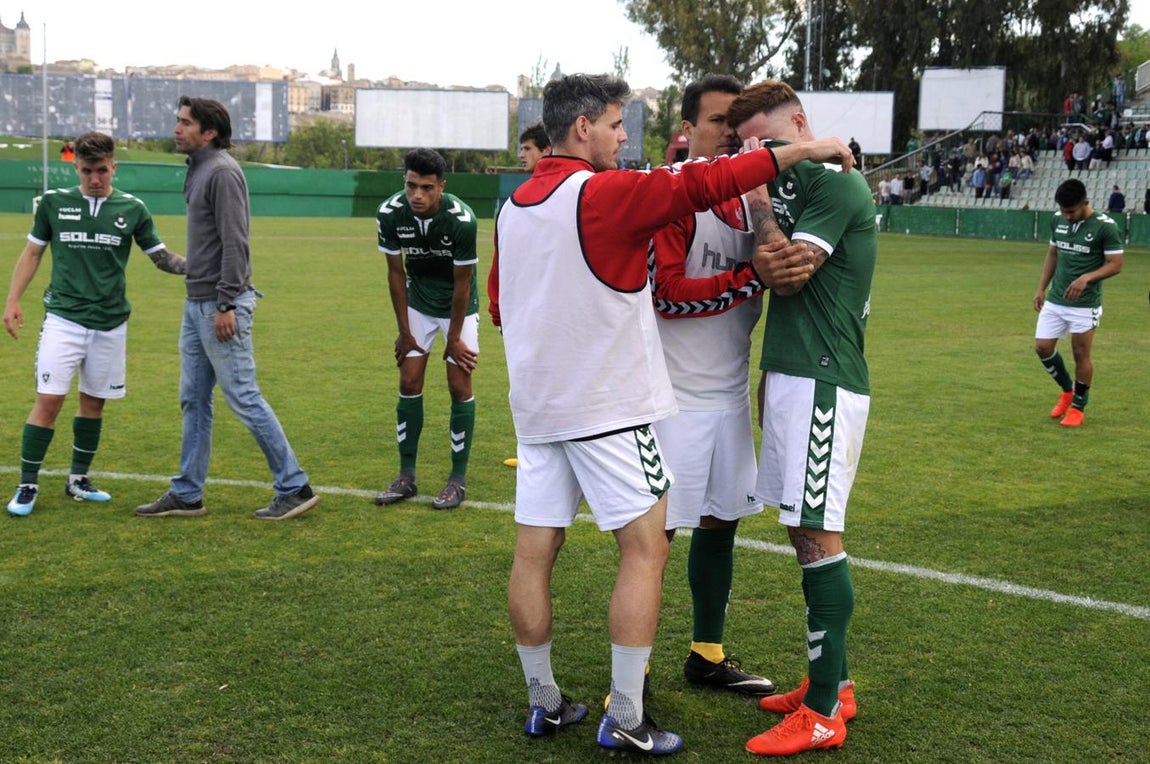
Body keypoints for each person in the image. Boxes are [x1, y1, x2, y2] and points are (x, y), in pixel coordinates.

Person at [490, 73, 853, 756]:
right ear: (582, 129)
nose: (625, 138)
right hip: (611, 408)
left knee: (534, 553)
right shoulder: (602, 194)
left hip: (538, 410)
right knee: (648, 549)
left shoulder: (514, 207)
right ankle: (627, 713)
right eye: (617, 124)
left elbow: (502, 306)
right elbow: (695, 186)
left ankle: (544, 702)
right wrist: (802, 151)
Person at [727, 79, 877, 757]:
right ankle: (833, 684)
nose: (763, 156)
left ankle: (821, 714)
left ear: (803, 125)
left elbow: (785, 276)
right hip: (790, 375)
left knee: (819, 532)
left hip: (824, 378)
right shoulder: (790, 192)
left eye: (771, 143)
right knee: (799, 528)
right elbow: (768, 261)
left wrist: (758, 196)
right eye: (751, 148)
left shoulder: (835, 185)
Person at [650, 74, 779, 699]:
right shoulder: (671, 198)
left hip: (726, 395)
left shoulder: (750, 201)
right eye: (718, 121)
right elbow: (667, 295)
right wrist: (753, 275)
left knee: (721, 522)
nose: (730, 132)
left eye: (738, 122)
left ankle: (706, 654)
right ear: (688, 130)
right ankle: (635, 668)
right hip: (671, 399)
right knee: (656, 537)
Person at [135, 96, 320, 520]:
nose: (177, 128)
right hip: (197, 303)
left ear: (210, 132)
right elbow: (211, 244)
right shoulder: (198, 169)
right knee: (193, 399)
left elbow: (236, 243)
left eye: (185, 123)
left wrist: (225, 303)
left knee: (244, 397)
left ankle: (295, 486)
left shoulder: (221, 172)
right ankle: (187, 493)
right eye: (177, 120)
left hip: (220, 305)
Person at [4, 131, 186, 517]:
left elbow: (161, 257)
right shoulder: (53, 203)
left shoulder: (133, 208)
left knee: (93, 403)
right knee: (49, 401)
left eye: (102, 170)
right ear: (77, 167)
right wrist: (13, 300)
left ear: (113, 166)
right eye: (87, 171)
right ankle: (27, 484)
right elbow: (33, 253)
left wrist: (203, 267)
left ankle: (78, 481)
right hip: (64, 320)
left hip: (110, 323)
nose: (95, 179)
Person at [372, 148, 479, 511]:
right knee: (408, 381)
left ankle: (457, 479)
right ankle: (406, 477)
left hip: (458, 308)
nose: (416, 195)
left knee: (458, 384)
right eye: (410, 186)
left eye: (426, 188)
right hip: (418, 303)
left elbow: (463, 283)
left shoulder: (462, 219)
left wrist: (454, 339)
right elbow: (395, 273)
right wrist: (404, 331)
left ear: (441, 187)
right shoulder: (389, 213)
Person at [1033, 178, 1123, 428]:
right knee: (1042, 347)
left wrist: (1087, 278)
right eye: (1063, 211)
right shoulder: (1057, 220)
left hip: (1085, 304)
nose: (1067, 216)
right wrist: (1041, 288)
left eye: (1071, 211)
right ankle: (1067, 391)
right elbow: (1053, 254)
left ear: (1086, 202)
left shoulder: (1106, 227)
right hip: (1056, 298)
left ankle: (1078, 407)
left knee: (1080, 353)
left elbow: (1116, 265)